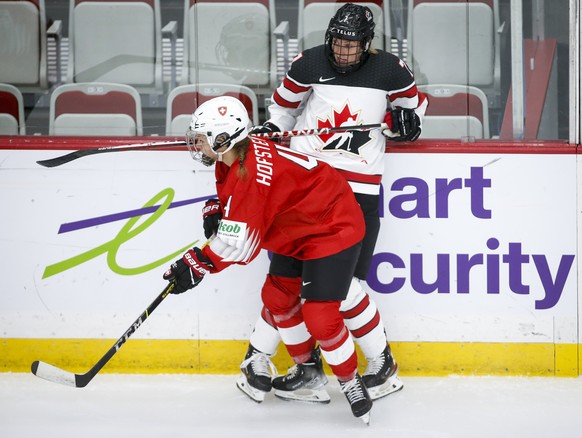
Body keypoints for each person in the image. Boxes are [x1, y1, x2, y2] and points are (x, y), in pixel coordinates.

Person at [206, 2, 428, 405]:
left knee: (344, 290)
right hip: (306, 188)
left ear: (367, 44)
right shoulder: (308, 64)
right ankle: (282, 363)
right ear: (329, 38)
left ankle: (382, 362)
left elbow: (414, 110)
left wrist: (404, 123)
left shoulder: (390, 70)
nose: (344, 52)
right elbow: (282, 111)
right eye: (338, 43)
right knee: (284, 281)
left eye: (352, 45)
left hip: (357, 191)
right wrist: (272, 130)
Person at [163, 95, 374, 423]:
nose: (197, 144)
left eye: (202, 138)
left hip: (333, 227)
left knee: (319, 315)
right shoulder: (233, 155)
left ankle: (350, 381)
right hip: (299, 228)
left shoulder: (248, 173)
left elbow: (240, 244)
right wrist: (219, 208)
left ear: (223, 139)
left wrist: (196, 263)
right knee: (277, 297)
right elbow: (241, 199)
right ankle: (309, 371)